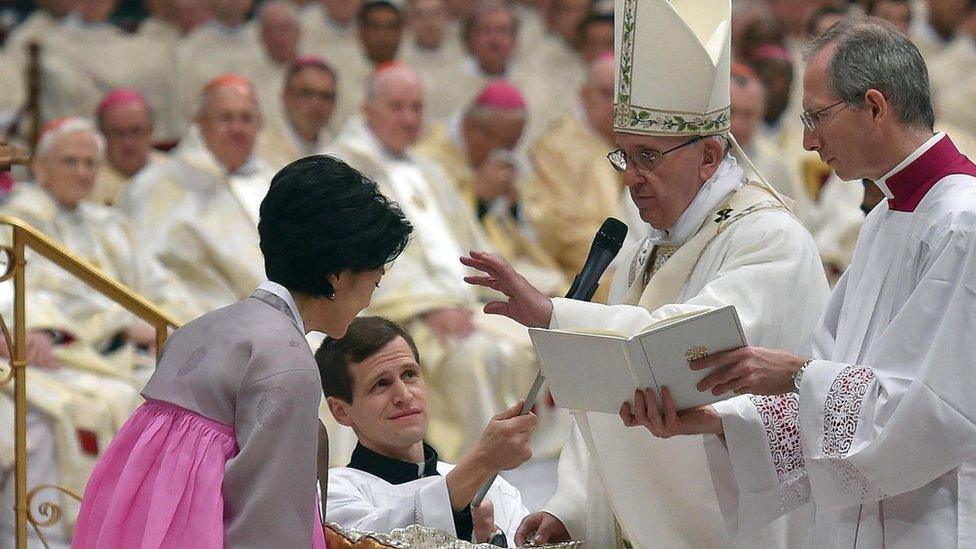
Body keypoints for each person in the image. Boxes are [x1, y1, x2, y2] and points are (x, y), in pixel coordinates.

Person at [462, 0, 829, 546]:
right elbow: (610, 387)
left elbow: (688, 345)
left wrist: (553, 312)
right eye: (624, 157)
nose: (632, 178)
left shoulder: (768, 237)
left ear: (708, 155)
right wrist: (573, 506)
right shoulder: (652, 241)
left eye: (649, 157)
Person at [629, 18, 976, 548]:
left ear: (876, 107)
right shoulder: (885, 218)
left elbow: (933, 413)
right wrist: (717, 422)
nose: (809, 141)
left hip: (935, 517)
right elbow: (837, 374)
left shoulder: (962, 222)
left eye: (817, 118)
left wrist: (798, 374)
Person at [71, 155, 413, 548]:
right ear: (336, 275)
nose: (371, 298)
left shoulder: (198, 329)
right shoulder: (286, 361)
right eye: (374, 280)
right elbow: (267, 524)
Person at [327, 63, 568, 510]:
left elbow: (467, 240)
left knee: (539, 343)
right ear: (367, 108)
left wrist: (500, 286)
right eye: (396, 107)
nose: (408, 118)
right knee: (477, 357)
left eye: (416, 108)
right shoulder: (345, 169)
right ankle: (470, 475)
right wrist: (426, 308)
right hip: (399, 313)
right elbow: (358, 259)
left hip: (460, 301)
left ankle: (525, 478)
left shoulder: (427, 167)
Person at [320, 316, 533, 545]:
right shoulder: (331, 494)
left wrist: (492, 538)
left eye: (409, 375)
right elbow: (380, 541)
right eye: (381, 383)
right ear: (341, 411)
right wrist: (481, 461)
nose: (404, 395)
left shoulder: (496, 489)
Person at [1, 118, 191, 358]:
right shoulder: (16, 223)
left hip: (132, 348)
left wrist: (173, 330)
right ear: (40, 167)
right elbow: (26, 291)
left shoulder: (110, 223)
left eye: (90, 163)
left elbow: (159, 283)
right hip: (65, 348)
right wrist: (125, 327)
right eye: (70, 162)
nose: (82, 173)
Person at [118, 74, 276, 321]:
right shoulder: (157, 186)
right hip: (202, 321)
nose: (237, 128)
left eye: (246, 118)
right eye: (225, 118)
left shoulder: (274, 181)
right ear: (200, 122)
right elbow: (144, 271)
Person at [417, 80, 564, 294]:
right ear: (472, 127)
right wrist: (480, 200)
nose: (509, 151)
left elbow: (545, 231)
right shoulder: (430, 160)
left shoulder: (510, 160)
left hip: (510, 264)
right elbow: (434, 233)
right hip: (459, 276)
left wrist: (515, 207)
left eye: (516, 142)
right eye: (505, 142)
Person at [520, 53, 632, 284]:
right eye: (605, 93)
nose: (616, 105)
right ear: (584, 95)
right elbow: (556, 226)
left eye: (624, 96)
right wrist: (623, 259)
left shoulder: (639, 143)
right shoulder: (556, 147)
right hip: (586, 272)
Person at [258, 57, 338, 170]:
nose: (317, 104)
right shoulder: (259, 150)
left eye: (326, 96)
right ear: (286, 96)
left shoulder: (339, 151)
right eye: (306, 94)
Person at [90, 89, 164, 206]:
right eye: (117, 133)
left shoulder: (173, 172)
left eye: (135, 131)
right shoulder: (87, 178)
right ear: (102, 136)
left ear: (151, 131)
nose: (127, 142)